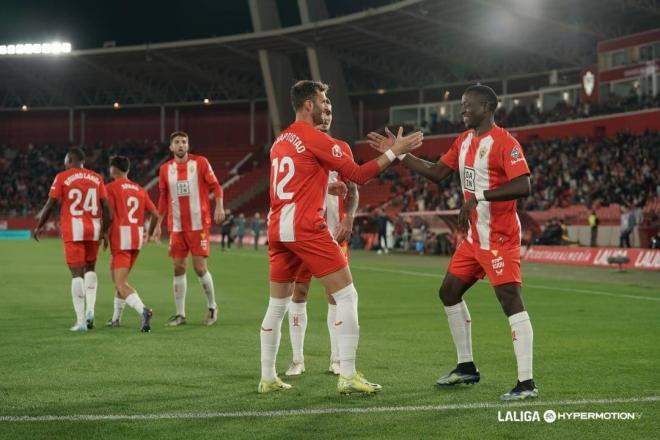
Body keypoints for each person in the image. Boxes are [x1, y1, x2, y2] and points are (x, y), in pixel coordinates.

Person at [368, 84, 536, 401]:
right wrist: (398, 154)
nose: (462, 111)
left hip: (499, 237)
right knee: (448, 292)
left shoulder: (505, 143)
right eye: (461, 106)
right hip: (474, 238)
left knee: (510, 301)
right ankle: (466, 367)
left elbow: (524, 185)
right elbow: (436, 172)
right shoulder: (462, 141)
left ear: (486, 107)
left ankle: (526, 383)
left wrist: (480, 197)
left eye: (467, 106)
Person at [258, 80, 423, 394]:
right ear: (309, 105)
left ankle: (267, 377)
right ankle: (346, 373)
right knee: (347, 296)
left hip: (279, 227)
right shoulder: (314, 137)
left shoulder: (280, 141)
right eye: (323, 101)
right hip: (306, 226)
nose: (326, 106)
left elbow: (300, 179)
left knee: (276, 306)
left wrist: (326, 188)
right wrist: (394, 152)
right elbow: (359, 175)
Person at [284, 104, 360, 377]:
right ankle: (297, 359)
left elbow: (354, 189)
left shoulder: (341, 148)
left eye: (330, 113)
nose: (326, 117)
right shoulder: (297, 147)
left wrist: (348, 218)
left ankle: (336, 358)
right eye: (323, 112)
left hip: (333, 234)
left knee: (336, 297)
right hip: (303, 232)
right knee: (299, 293)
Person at [33, 147, 111, 332]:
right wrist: (105, 230)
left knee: (77, 274)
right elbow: (106, 207)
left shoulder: (62, 177)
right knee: (90, 269)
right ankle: (91, 310)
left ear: (69, 160)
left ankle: (81, 321)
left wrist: (40, 225)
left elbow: (50, 204)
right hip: (93, 230)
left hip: (73, 230)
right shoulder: (97, 178)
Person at [154, 131, 225, 327]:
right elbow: (162, 198)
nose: (180, 145)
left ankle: (212, 307)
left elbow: (216, 187)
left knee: (200, 268)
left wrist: (219, 206)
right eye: (176, 142)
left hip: (198, 225)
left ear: (188, 145)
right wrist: (158, 224)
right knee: (178, 267)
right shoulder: (164, 170)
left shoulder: (200, 163)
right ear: (171, 147)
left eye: (184, 142)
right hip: (176, 227)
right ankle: (180, 314)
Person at [104, 156, 159, 332]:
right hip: (135, 239)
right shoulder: (140, 189)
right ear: (127, 170)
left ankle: (143, 311)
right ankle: (115, 319)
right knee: (120, 281)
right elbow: (156, 215)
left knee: (120, 283)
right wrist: (149, 235)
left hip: (120, 238)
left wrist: (103, 233)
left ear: (113, 169)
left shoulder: (110, 188)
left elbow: (109, 215)